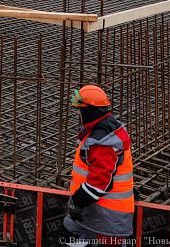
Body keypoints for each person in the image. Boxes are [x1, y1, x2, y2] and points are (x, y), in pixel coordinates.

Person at [63, 85, 135, 245]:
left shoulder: (102, 142)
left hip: (108, 217)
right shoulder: (106, 131)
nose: (78, 113)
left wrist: (77, 201)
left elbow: (99, 183)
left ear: (91, 111)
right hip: (93, 211)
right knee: (68, 235)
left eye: (81, 109)